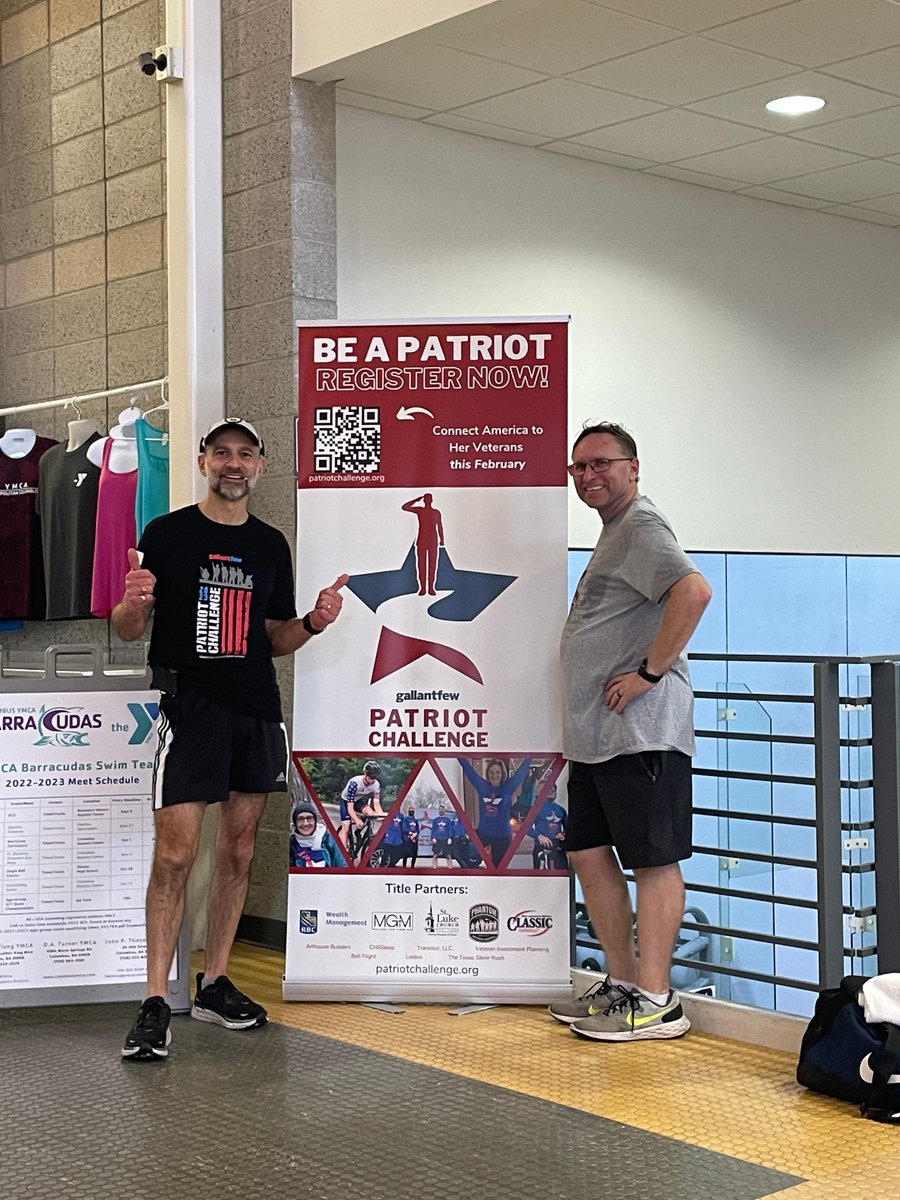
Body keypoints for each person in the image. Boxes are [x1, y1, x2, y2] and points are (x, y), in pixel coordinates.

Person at [114, 417, 347, 1062]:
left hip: (256, 710)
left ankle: (214, 982)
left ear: (260, 466)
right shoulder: (167, 534)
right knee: (175, 855)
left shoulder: (270, 544)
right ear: (204, 462)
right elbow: (129, 628)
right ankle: (154, 1000)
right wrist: (134, 602)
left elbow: (274, 637)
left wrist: (313, 623)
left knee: (240, 851)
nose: (233, 464)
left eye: (245, 454)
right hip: (191, 708)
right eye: (222, 453)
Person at [551, 421, 711, 1043]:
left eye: (602, 463)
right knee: (589, 854)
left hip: (640, 733)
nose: (589, 475)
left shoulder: (641, 524)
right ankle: (621, 985)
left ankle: (657, 999)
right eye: (579, 467)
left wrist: (649, 673)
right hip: (597, 736)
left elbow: (693, 592)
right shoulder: (614, 531)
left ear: (633, 467)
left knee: (651, 860)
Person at [459, 756, 531, 868]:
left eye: (498, 772)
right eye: (491, 772)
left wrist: (530, 756)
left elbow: (521, 773)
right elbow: (469, 770)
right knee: (463, 850)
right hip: (483, 834)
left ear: (502, 774)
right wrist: (457, 754)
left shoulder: (507, 788)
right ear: (487, 774)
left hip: (502, 837)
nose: (494, 775)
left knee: (497, 868)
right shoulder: (482, 786)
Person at [401, 493, 444, 595]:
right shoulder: (420, 510)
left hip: (432, 541)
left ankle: (431, 587)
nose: (427, 501)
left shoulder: (436, 512)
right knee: (421, 565)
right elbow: (405, 507)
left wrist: (442, 539)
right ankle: (423, 588)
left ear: (431, 501)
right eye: (426, 499)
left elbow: (439, 526)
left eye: (428, 499)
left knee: (432, 565)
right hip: (422, 541)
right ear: (425, 501)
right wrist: (416, 499)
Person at [337, 760, 384, 851]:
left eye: (375, 777)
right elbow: (350, 808)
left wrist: (382, 817)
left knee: (370, 813)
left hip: (358, 801)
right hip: (346, 802)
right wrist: (356, 820)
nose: (373, 780)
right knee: (346, 827)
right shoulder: (354, 784)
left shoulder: (376, 785)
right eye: (371, 777)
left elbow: (377, 804)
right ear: (365, 774)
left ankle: (358, 831)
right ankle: (343, 851)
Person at [289, 804, 345, 868]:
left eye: (309, 818)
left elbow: (343, 866)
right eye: (300, 819)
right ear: (295, 823)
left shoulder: (329, 841)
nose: (305, 823)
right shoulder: (290, 845)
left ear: (315, 821)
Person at [528, 784, 567, 870]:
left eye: (553, 790)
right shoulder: (536, 809)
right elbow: (526, 827)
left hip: (558, 848)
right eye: (548, 790)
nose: (551, 792)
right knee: (541, 875)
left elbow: (569, 827)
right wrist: (539, 836)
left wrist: (563, 835)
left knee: (562, 873)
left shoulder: (561, 810)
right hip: (541, 847)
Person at [429, 804, 454, 869]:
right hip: (437, 839)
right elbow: (433, 830)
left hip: (446, 839)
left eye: (442, 809)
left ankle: (450, 869)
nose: (441, 810)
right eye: (440, 809)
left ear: (444, 810)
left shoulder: (448, 820)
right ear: (438, 810)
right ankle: (434, 868)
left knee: (448, 855)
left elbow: (450, 829)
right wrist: (433, 838)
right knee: (435, 855)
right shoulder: (435, 820)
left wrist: (450, 838)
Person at [400, 804, 420, 868]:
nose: (411, 812)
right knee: (405, 854)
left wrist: (415, 834)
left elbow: (418, 829)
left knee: (414, 854)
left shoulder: (415, 820)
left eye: (412, 811)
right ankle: (404, 867)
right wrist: (410, 834)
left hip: (414, 839)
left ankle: (412, 867)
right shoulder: (406, 819)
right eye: (410, 811)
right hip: (407, 839)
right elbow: (404, 829)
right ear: (408, 811)